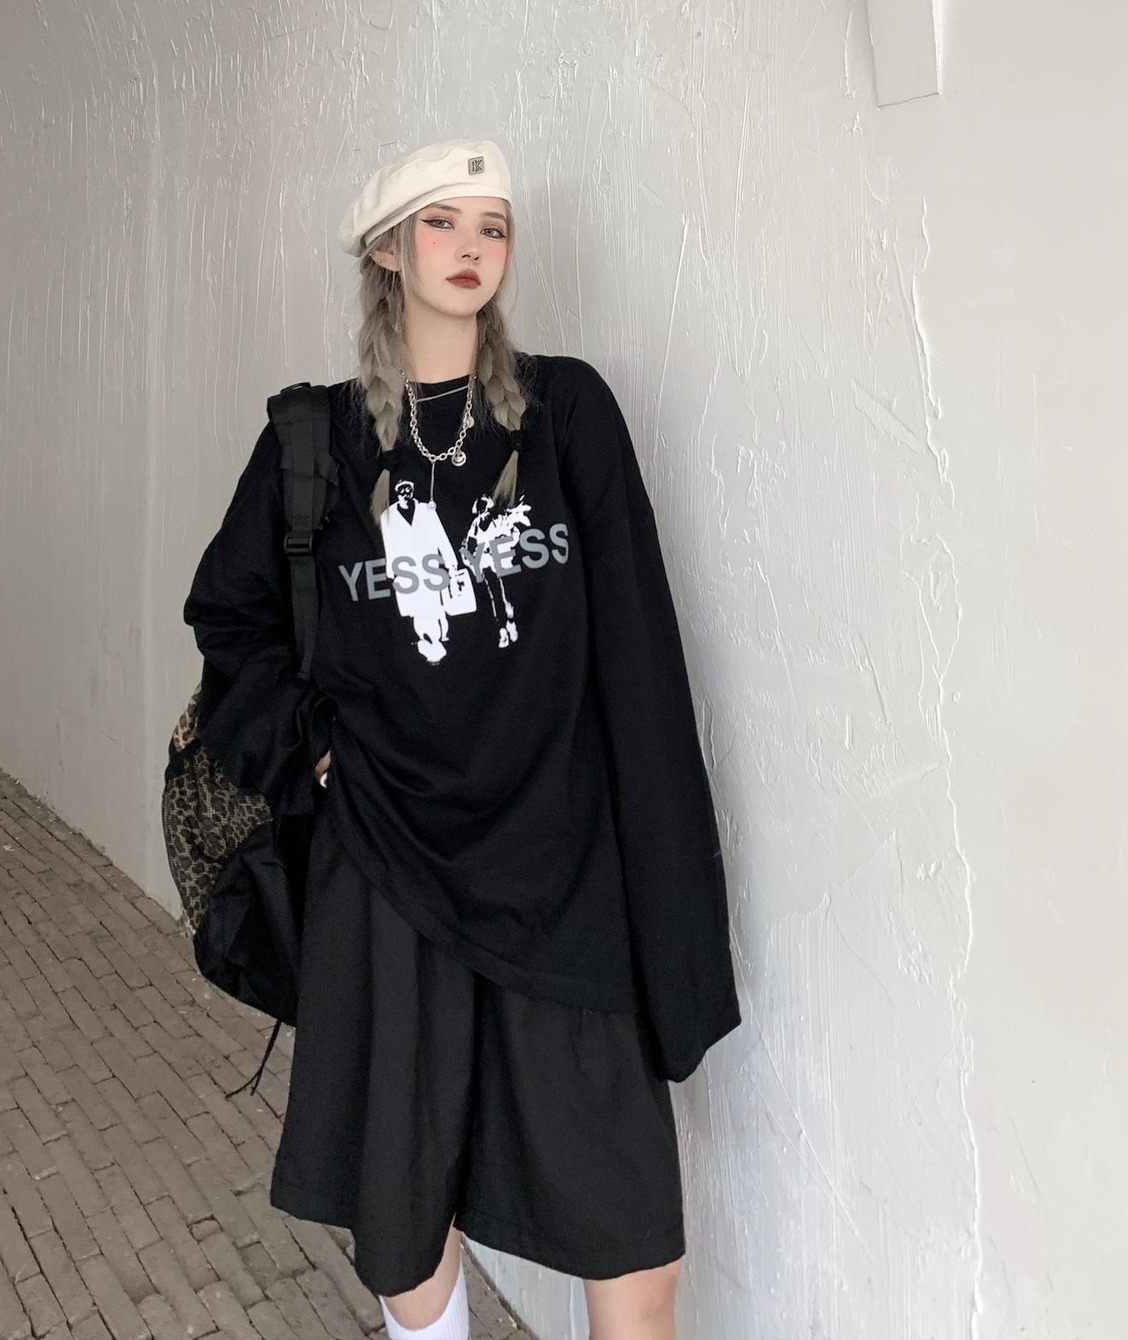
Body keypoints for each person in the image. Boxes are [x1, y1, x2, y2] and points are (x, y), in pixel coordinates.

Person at [182, 137, 742, 1340]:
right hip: (388, 871)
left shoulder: (567, 412)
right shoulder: (316, 442)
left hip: (560, 869)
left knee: (631, 1230)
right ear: (387, 251)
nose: (472, 247)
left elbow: (638, 652)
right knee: (404, 1216)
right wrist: (315, 749)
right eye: (442, 222)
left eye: (493, 226)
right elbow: (228, 618)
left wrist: (674, 911)